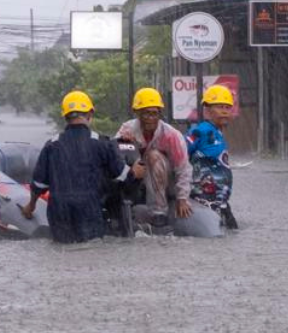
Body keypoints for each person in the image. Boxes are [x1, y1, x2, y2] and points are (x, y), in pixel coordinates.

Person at [22, 91, 129, 244]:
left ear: (65, 117)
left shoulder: (52, 145)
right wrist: (135, 172)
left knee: (63, 251)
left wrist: (30, 207)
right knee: (91, 250)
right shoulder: (103, 143)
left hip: (59, 213)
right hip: (89, 211)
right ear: (90, 113)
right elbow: (122, 177)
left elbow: (39, 184)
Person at [115, 87, 191, 226]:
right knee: (126, 152)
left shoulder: (171, 135)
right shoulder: (127, 129)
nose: (150, 118)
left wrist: (182, 198)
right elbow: (113, 158)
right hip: (139, 181)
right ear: (137, 113)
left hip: (167, 182)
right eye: (146, 114)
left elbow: (183, 168)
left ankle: (159, 212)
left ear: (159, 114)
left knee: (153, 155)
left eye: (154, 114)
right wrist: (123, 142)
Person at [187, 84, 233, 163]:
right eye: (220, 107)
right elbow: (182, 151)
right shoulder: (200, 131)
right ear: (208, 111)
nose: (224, 111)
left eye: (227, 107)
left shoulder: (218, 133)